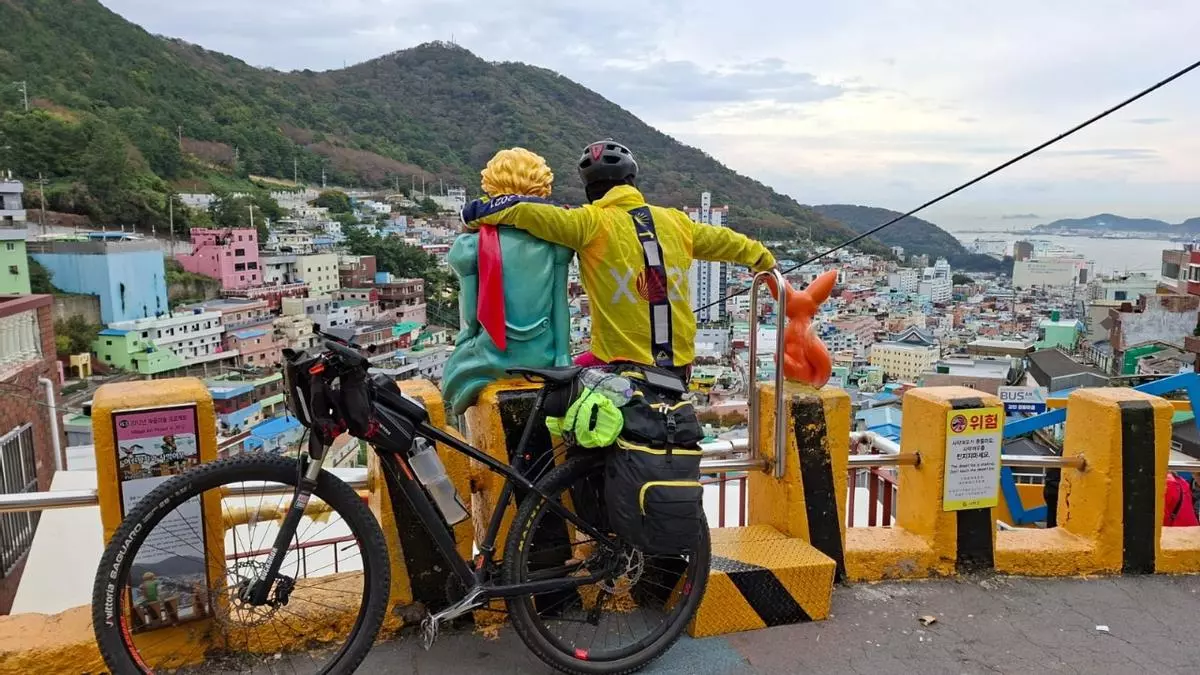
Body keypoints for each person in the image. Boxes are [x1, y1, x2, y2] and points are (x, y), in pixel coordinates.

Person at [460, 140, 777, 378]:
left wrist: (473, 212)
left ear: (589, 191)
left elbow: (521, 211)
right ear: (632, 182)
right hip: (679, 368)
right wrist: (765, 263)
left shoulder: (588, 222)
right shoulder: (676, 222)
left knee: (554, 385)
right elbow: (732, 243)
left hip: (619, 367)